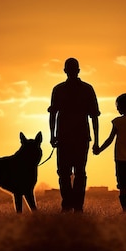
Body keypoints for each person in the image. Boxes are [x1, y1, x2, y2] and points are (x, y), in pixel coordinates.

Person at [48, 58, 100, 212]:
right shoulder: (85, 89)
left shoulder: (61, 89)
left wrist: (52, 135)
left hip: (74, 138)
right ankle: (72, 205)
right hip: (71, 138)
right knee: (73, 173)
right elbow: (94, 117)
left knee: (71, 173)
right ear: (77, 70)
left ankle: (72, 206)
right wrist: (52, 135)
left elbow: (94, 116)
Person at [93, 93, 126, 212]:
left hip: (120, 158)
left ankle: (125, 210)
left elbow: (110, 139)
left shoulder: (118, 122)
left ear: (123, 106)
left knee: (122, 186)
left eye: (118, 106)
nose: (117, 108)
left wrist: (99, 149)